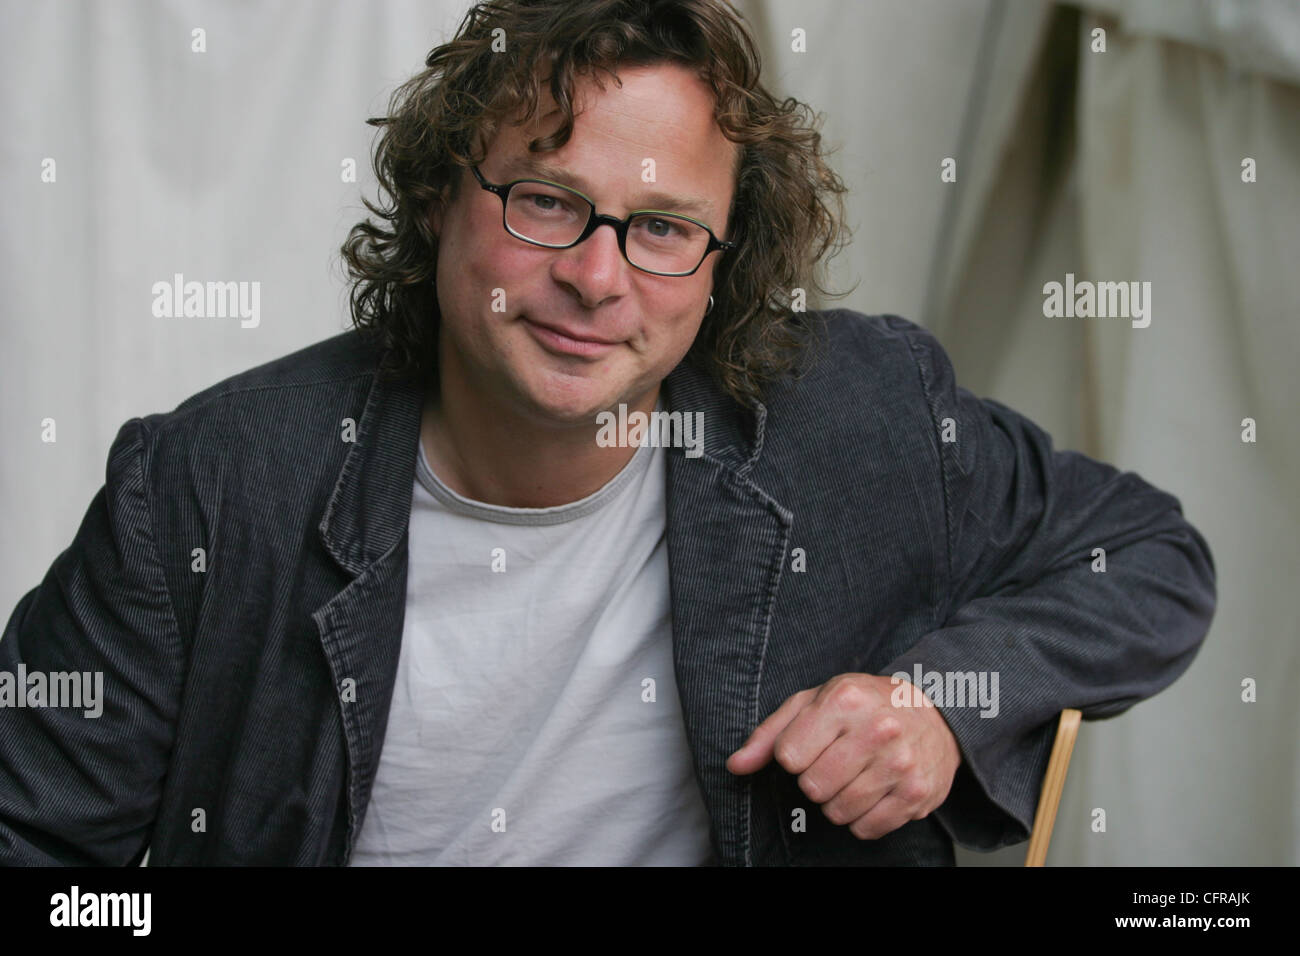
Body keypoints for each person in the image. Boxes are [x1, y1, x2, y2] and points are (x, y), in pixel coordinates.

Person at [0, 0, 1215, 866]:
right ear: (438, 201)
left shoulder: (859, 414)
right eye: (547, 201)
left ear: (723, 254)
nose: (598, 275)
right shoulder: (209, 484)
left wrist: (943, 701)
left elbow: (1153, 556)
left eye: (665, 227)